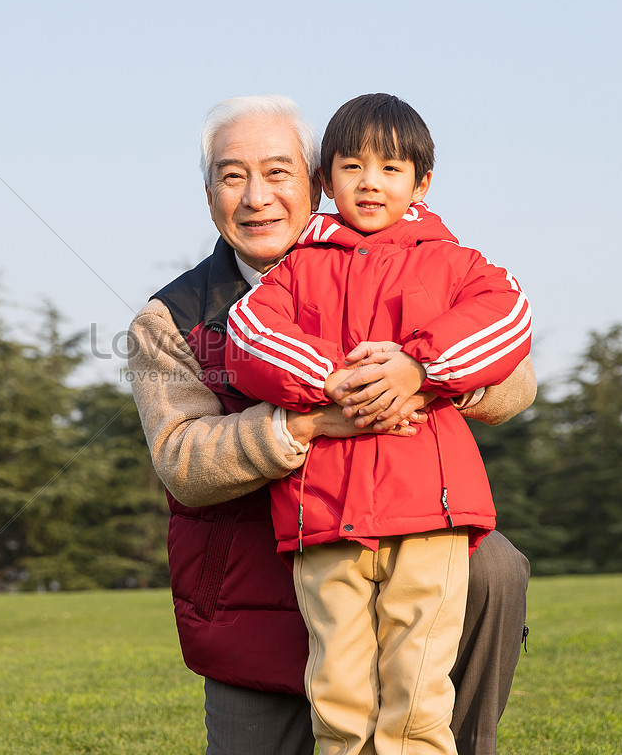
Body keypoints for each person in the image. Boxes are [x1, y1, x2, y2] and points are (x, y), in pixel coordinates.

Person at [126, 94, 536, 755]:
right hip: (254, 591)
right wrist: (311, 422)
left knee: (493, 566)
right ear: (208, 194)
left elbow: (516, 379)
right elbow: (184, 463)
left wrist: (417, 377)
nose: (257, 196)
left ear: (316, 182)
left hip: (397, 535)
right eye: (233, 176)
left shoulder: (399, 259)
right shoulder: (168, 320)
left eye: (278, 173)